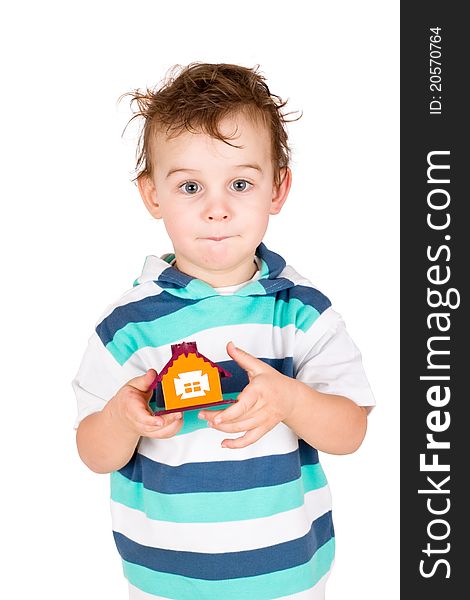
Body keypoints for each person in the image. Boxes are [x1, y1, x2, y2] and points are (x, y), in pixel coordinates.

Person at [73, 62, 375, 600]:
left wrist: (289, 400)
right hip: (165, 579)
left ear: (277, 189)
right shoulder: (127, 327)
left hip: (288, 576)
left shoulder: (301, 312)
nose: (217, 209)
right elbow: (95, 453)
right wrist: (122, 415)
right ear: (153, 196)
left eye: (240, 183)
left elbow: (350, 433)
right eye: (190, 186)